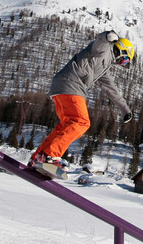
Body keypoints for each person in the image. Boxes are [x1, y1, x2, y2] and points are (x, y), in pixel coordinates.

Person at [28, 30, 135, 171]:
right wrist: (108, 36)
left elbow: (111, 89)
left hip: (61, 87)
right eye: (125, 59)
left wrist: (125, 109)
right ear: (122, 50)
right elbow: (99, 42)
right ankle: (49, 156)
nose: (122, 63)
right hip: (71, 85)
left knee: (67, 125)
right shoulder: (104, 50)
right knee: (81, 122)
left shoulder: (104, 67)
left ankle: (39, 156)